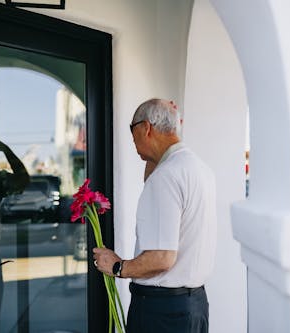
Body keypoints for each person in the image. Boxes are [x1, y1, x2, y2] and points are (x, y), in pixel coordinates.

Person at [93, 98, 217, 332]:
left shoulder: (167, 176)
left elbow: (162, 258)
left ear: (146, 128)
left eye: (133, 132)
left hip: (163, 312)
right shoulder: (198, 168)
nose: (132, 141)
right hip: (194, 305)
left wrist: (118, 266)